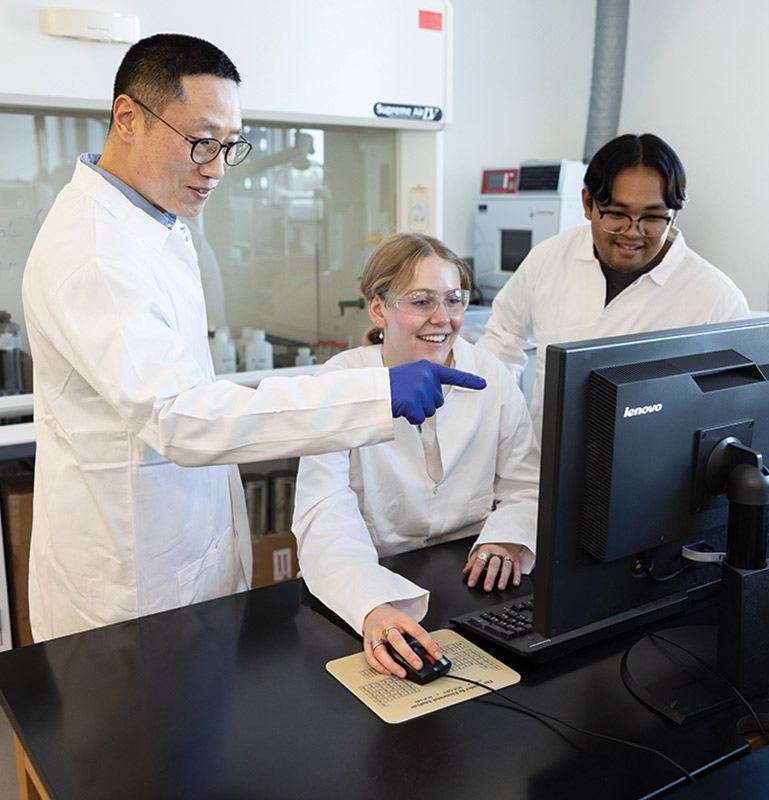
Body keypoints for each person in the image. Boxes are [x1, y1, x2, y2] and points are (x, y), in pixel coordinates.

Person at [21, 34, 485, 641]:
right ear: (128, 118)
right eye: (201, 142)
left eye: (229, 146)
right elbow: (181, 415)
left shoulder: (150, 224)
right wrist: (377, 394)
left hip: (180, 559)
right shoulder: (95, 253)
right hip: (129, 587)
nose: (216, 168)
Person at [292, 233, 538, 679]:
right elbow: (323, 516)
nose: (442, 319)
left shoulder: (489, 375)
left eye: (453, 300)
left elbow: (526, 483)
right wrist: (372, 608)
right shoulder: (339, 381)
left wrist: (507, 538)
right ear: (378, 308)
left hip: (473, 580)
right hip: (366, 582)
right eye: (421, 301)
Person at [477, 133, 750, 444]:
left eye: (652, 217)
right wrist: (491, 427)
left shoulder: (716, 299)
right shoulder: (548, 259)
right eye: (617, 214)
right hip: (545, 470)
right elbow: (502, 341)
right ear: (587, 203)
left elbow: (731, 413)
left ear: (673, 215)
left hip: (651, 481)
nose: (633, 232)